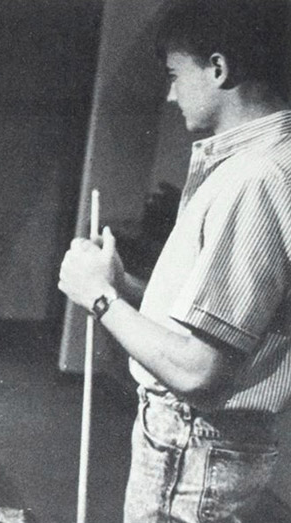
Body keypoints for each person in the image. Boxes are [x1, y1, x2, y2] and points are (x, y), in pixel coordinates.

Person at [58, 1, 291, 521]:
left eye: (174, 76)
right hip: (204, 444)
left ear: (218, 68)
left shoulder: (255, 179)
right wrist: (123, 285)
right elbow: (223, 318)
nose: (169, 94)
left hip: (195, 443)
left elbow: (198, 371)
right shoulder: (264, 162)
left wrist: (98, 298)